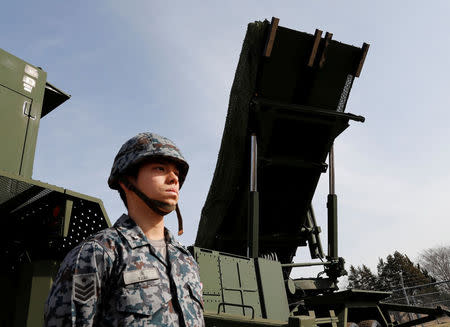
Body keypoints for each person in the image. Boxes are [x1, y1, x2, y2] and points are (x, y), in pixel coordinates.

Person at [44, 132, 205, 326]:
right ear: (127, 181)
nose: (173, 179)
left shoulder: (186, 261)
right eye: (160, 168)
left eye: (177, 173)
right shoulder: (98, 253)